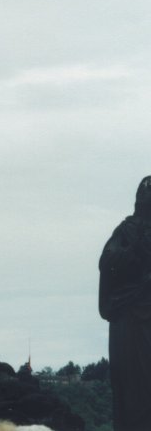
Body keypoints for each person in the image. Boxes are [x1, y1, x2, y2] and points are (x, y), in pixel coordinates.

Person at [99, 175, 151, 431]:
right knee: (132, 385)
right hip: (129, 316)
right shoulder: (126, 232)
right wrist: (133, 253)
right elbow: (108, 263)